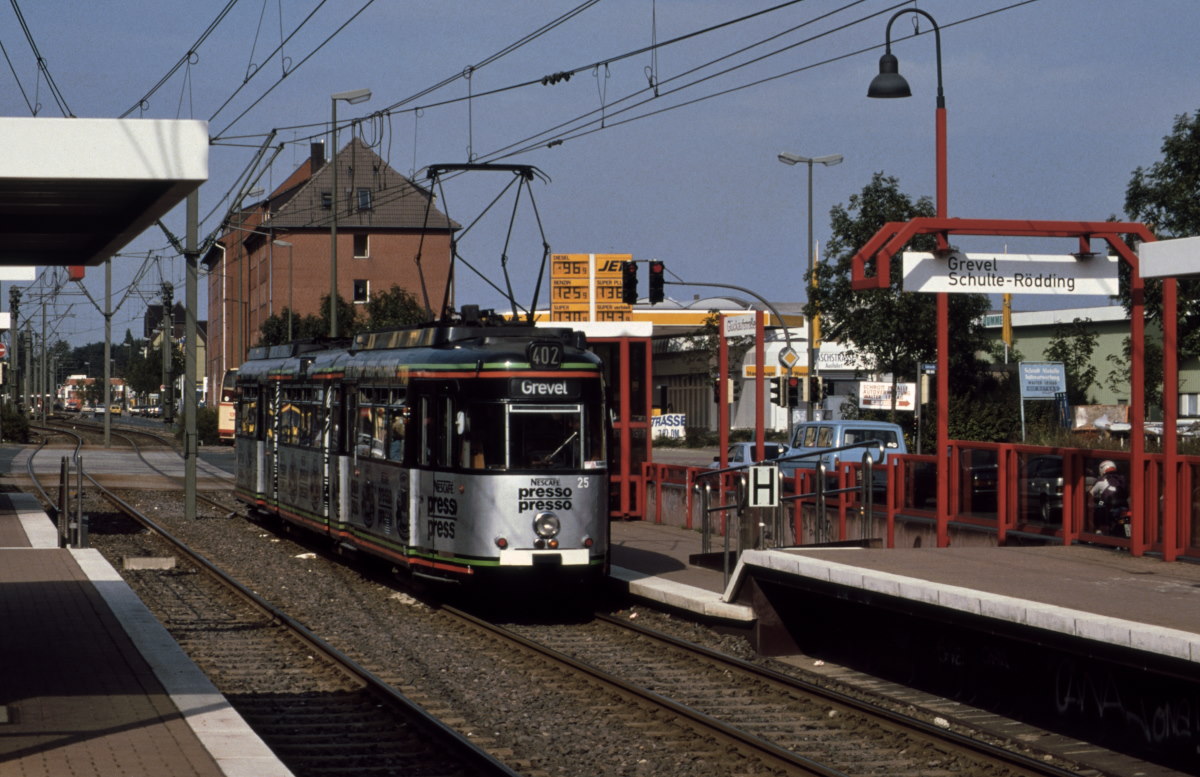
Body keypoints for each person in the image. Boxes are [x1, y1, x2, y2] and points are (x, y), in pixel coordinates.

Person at [1090, 459, 1128, 535]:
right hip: (1124, 505)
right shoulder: (1122, 479)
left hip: (1107, 504)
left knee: (1098, 506)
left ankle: (1099, 529)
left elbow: (1091, 493)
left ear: (1102, 469)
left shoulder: (1101, 480)